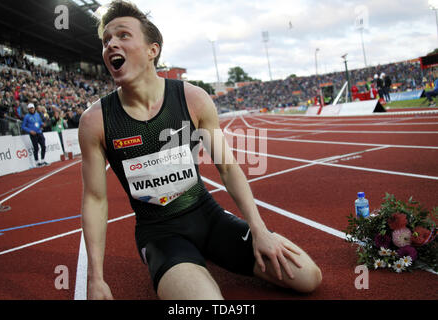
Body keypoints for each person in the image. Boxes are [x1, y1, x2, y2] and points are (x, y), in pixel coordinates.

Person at [79, 0, 322, 300]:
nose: (111, 44)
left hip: (207, 217)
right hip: (160, 234)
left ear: (153, 50)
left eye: (123, 35)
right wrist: (96, 278)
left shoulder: (193, 99)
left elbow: (228, 168)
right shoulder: (95, 121)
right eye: (106, 41)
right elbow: (94, 198)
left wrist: (259, 230)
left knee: (309, 277)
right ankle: (181, 266)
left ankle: (202, 261)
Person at [21, 103, 48, 167]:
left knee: (43, 146)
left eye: (32, 108)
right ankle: (37, 162)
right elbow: (23, 126)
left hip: (39, 132)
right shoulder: (26, 116)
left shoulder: (37, 114)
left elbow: (39, 122)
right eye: (30, 108)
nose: (32, 109)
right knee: (36, 148)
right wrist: (30, 131)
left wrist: (42, 124)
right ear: (28, 109)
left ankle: (43, 160)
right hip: (33, 134)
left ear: (34, 108)